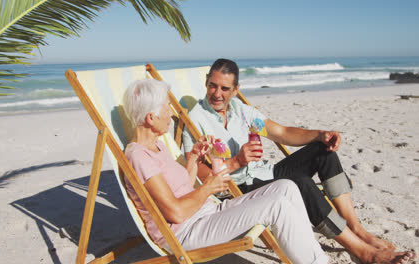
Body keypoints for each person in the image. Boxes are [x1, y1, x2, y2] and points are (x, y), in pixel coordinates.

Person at [182, 58, 416, 264]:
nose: (217, 93)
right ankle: (361, 251)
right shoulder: (196, 120)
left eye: (224, 88)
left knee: (323, 151)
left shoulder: (242, 110)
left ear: (235, 89)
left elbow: (281, 132)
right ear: (206, 81)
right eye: (213, 85)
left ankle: (356, 228)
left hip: (265, 173)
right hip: (239, 188)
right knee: (300, 182)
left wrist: (319, 135)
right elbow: (193, 174)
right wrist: (236, 161)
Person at [122, 78, 330, 264]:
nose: (170, 113)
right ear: (151, 118)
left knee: (287, 188)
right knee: (277, 205)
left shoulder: (158, 146)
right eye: (167, 108)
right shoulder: (139, 157)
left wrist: (194, 157)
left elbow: (183, 184)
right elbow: (175, 213)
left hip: (207, 213)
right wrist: (208, 188)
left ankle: (312, 256)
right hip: (188, 231)